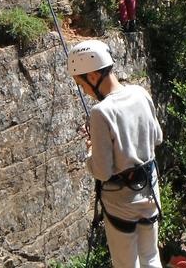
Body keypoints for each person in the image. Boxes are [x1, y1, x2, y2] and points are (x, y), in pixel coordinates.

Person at [68, 40, 164, 268]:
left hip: (121, 202)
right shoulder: (140, 93)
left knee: (126, 264)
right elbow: (157, 138)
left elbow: (102, 171)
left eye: (81, 84)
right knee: (151, 257)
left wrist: (91, 151)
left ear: (93, 76)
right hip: (150, 192)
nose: (84, 91)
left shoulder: (101, 112)